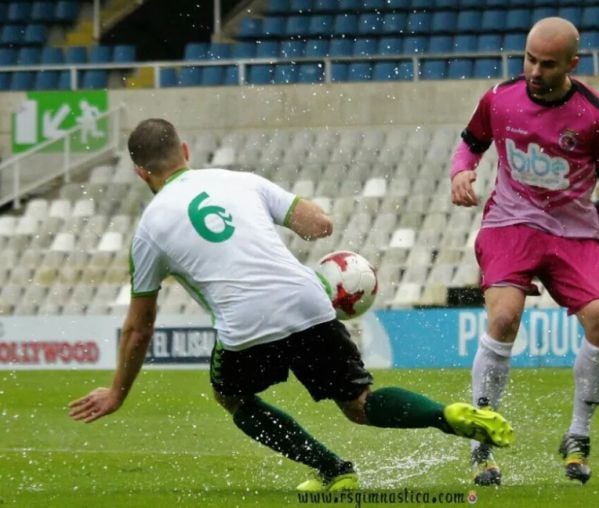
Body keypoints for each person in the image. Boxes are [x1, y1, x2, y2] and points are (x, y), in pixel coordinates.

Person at [69, 118, 514, 492]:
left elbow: (138, 329)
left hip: (246, 325)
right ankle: (446, 415)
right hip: (307, 301)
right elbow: (319, 224)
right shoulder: (238, 179)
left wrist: (117, 393)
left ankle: (333, 470)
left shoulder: (148, 230)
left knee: (232, 397)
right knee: (360, 401)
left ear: (139, 172)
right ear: (184, 149)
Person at [450, 17, 599, 486]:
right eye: (530, 59)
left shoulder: (596, 117)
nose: (534, 71)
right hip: (511, 223)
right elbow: (469, 146)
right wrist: (460, 173)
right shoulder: (499, 99)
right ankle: (480, 439)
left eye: (548, 64)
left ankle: (577, 436)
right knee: (504, 317)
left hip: (573, 232)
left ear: (572, 63)